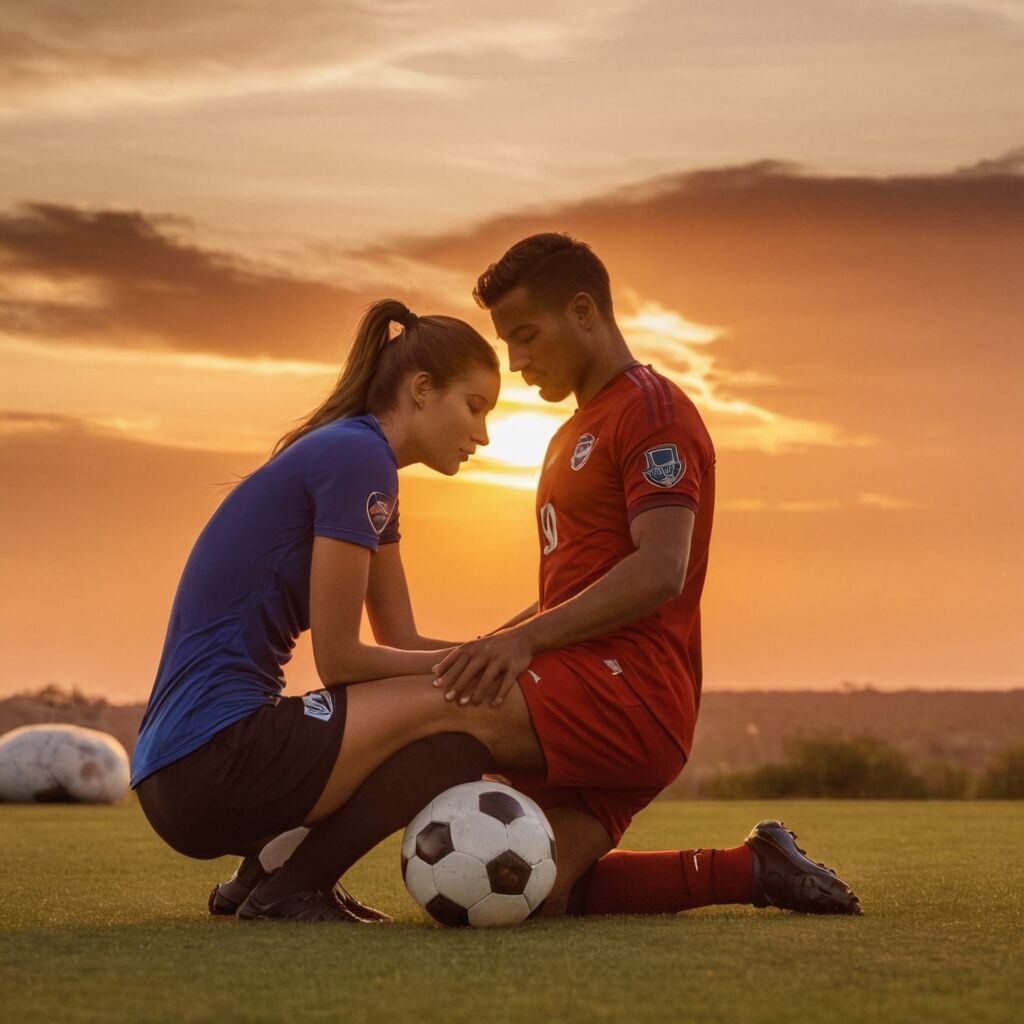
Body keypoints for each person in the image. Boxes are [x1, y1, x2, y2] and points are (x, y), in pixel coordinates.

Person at [205, 235, 861, 922]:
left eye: (525, 337)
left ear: (584, 312)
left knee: (428, 704)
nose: (516, 364)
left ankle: (286, 874)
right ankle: (753, 868)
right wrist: (494, 641)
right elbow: (562, 596)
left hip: (629, 691)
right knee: (540, 890)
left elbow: (660, 568)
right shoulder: (566, 435)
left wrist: (516, 648)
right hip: (579, 688)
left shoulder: (652, 411)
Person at [132, 299, 509, 922]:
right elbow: (341, 660)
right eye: (475, 406)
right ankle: (293, 888)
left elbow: (403, 640)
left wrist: (510, 645)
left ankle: (259, 878)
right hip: (213, 761)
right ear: (421, 390)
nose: (484, 434)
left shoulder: (361, 463)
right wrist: (484, 666)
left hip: (175, 776)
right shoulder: (358, 458)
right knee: (460, 724)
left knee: (455, 705)